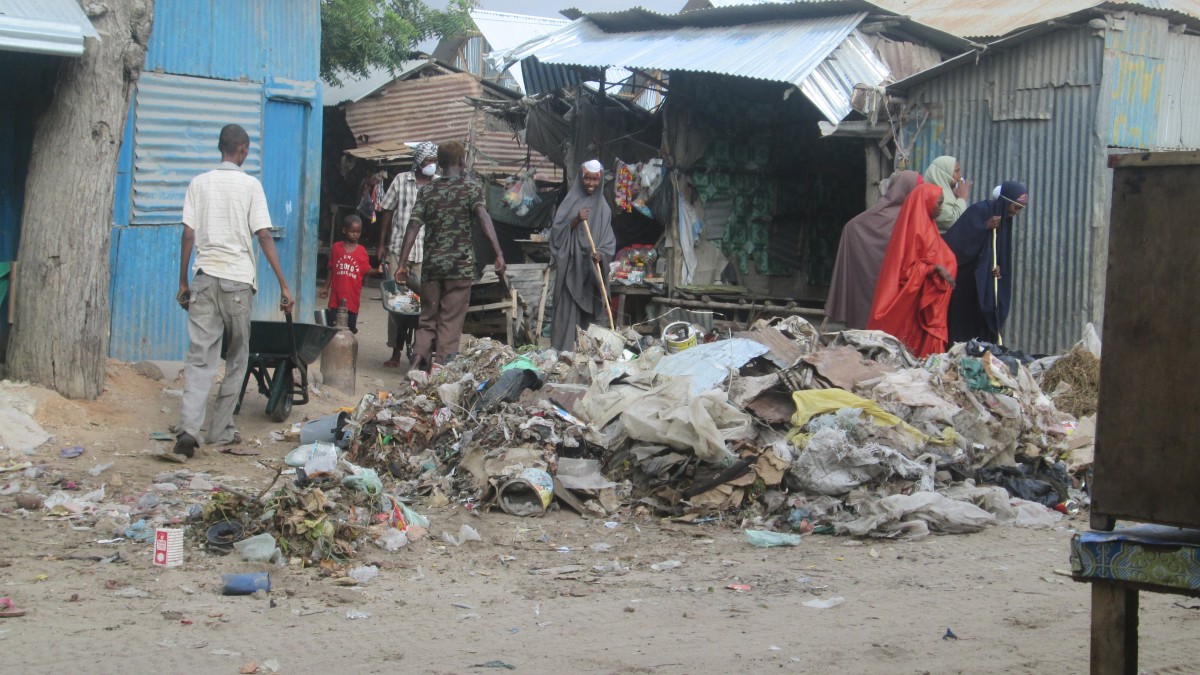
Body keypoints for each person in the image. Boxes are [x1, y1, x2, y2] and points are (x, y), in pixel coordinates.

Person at [174, 124, 294, 458]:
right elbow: (264, 235)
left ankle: (188, 430)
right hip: (238, 284)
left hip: (204, 278)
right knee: (237, 357)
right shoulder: (250, 186)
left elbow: (187, 234)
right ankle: (220, 430)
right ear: (242, 149)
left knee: (200, 359)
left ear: (220, 147)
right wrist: (284, 284)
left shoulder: (199, 183)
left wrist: (184, 280)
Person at [394, 141, 505, 372]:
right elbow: (484, 219)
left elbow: (412, 227)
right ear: (462, 162)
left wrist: (402, 264)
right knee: (450, 321)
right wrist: (498, 253)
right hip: (459, 269)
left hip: (432, 269)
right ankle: (441, 370)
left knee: (427, 318)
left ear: (439, 164)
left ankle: (415, 363)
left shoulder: (427, 191)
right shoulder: (471, 188)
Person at [867, 183, 957, 358]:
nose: (941, 208)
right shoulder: (914, 232)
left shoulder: (929, 227)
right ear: (926, 202)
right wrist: (933, 268)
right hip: (912, 306)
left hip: (927, 306)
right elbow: (905, 271)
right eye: (939, 203)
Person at [825, 170, 923, 329]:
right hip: (871, 275)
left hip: (896, 279)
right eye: (918, 188)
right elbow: (852, 228)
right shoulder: (882, 214)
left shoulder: (913, 214)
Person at [943, 181, 1030, 345]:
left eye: (1020, 209)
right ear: (1005, 201)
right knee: (963, 330)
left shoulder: (1005, 219)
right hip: (966, 283)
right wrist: (984, 227)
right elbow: (956, 243)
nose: (1017, 212)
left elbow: (998, 252)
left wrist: (998, 268)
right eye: (1016, 207)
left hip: (984, 285)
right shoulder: (980, 211)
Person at [377, 142, 437, 366]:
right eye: (428, 161)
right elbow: (386, 210)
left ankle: (421, 352)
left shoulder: (438, 185)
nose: (431, 165)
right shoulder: (402, 180)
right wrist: (381, 243)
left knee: (422, 305)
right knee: (396, 303)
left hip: (425, 253)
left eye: (434, 161)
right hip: (397, 249)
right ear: (419, 162)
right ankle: (395, 351)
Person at [550, 160, 616, 352]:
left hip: (590, 275)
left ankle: (587, 356)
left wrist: (601, 255)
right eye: (587, 178)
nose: (591, 183)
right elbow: (556, 234)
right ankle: (563, 354)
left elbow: (609, 242)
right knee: (567, 314)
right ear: (581, 178)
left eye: (595, 179)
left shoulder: (604, 208)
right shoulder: (569, 202)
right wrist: (575, 220)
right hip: (571, 269)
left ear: (600, 180)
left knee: (591, 321)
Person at [319, 214, 378, 333]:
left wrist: (378, 270)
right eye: (352, 231)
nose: (355, 235)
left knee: (350, 330)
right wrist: (325, 287)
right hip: (336, 297)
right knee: (332, 328)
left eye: (358, 232)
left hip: (352, 299)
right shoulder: (336, 248)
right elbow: (331, 268)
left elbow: (366, 269)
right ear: (344, 230)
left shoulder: (361, 251)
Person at [923, 156, 972, 233]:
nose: (960, 176)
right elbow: (951, 222)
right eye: (956, 171)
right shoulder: (934, 196)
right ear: (943, 174)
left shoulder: (950, 194)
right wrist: (962, 198)